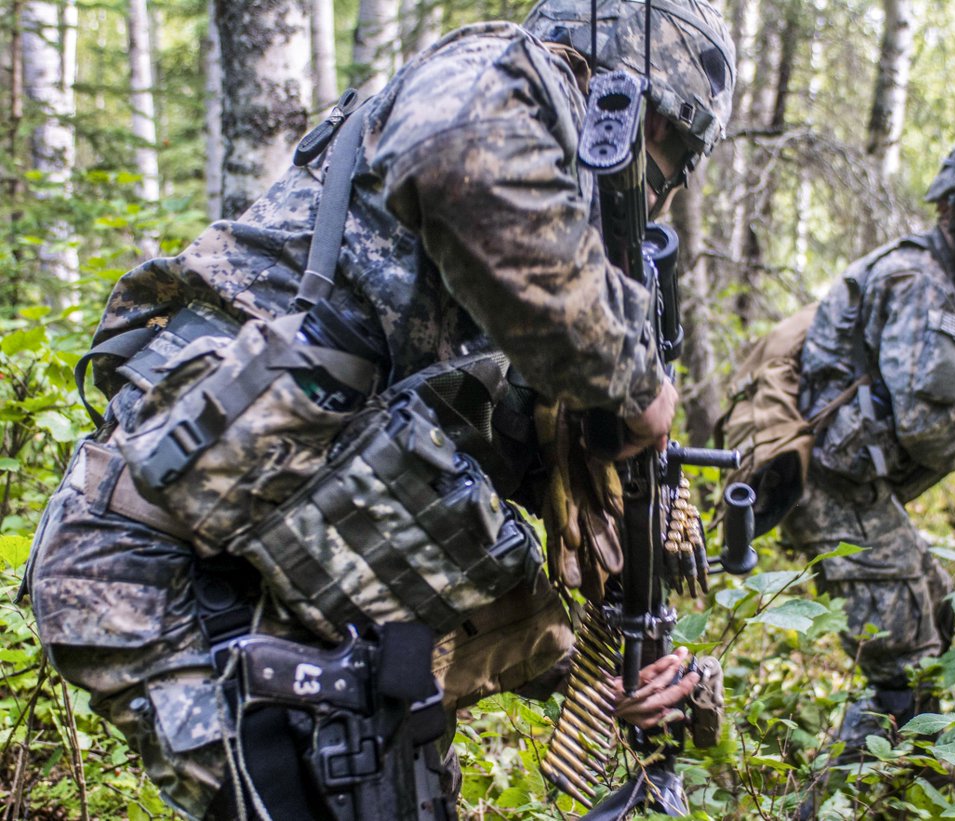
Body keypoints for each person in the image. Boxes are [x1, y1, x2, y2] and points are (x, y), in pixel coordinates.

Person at [24, 1, 735, 818]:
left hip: (300, 591)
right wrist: (630, 374)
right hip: (168, 562)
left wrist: (623, 676)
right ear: (628, 102)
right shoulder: (502, 75)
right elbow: (450, 157)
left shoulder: (521, 301)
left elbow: (551, 557)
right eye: (667, 151)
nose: (661, 190)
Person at [783, 135, 955, 768]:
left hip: (851, 484)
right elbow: (930, 429)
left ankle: (910, 782)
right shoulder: (921, 284)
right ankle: (834, 804)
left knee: (937, 608)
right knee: (902, 659)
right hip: (829, 488)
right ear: (949, 208)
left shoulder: (946, 282)